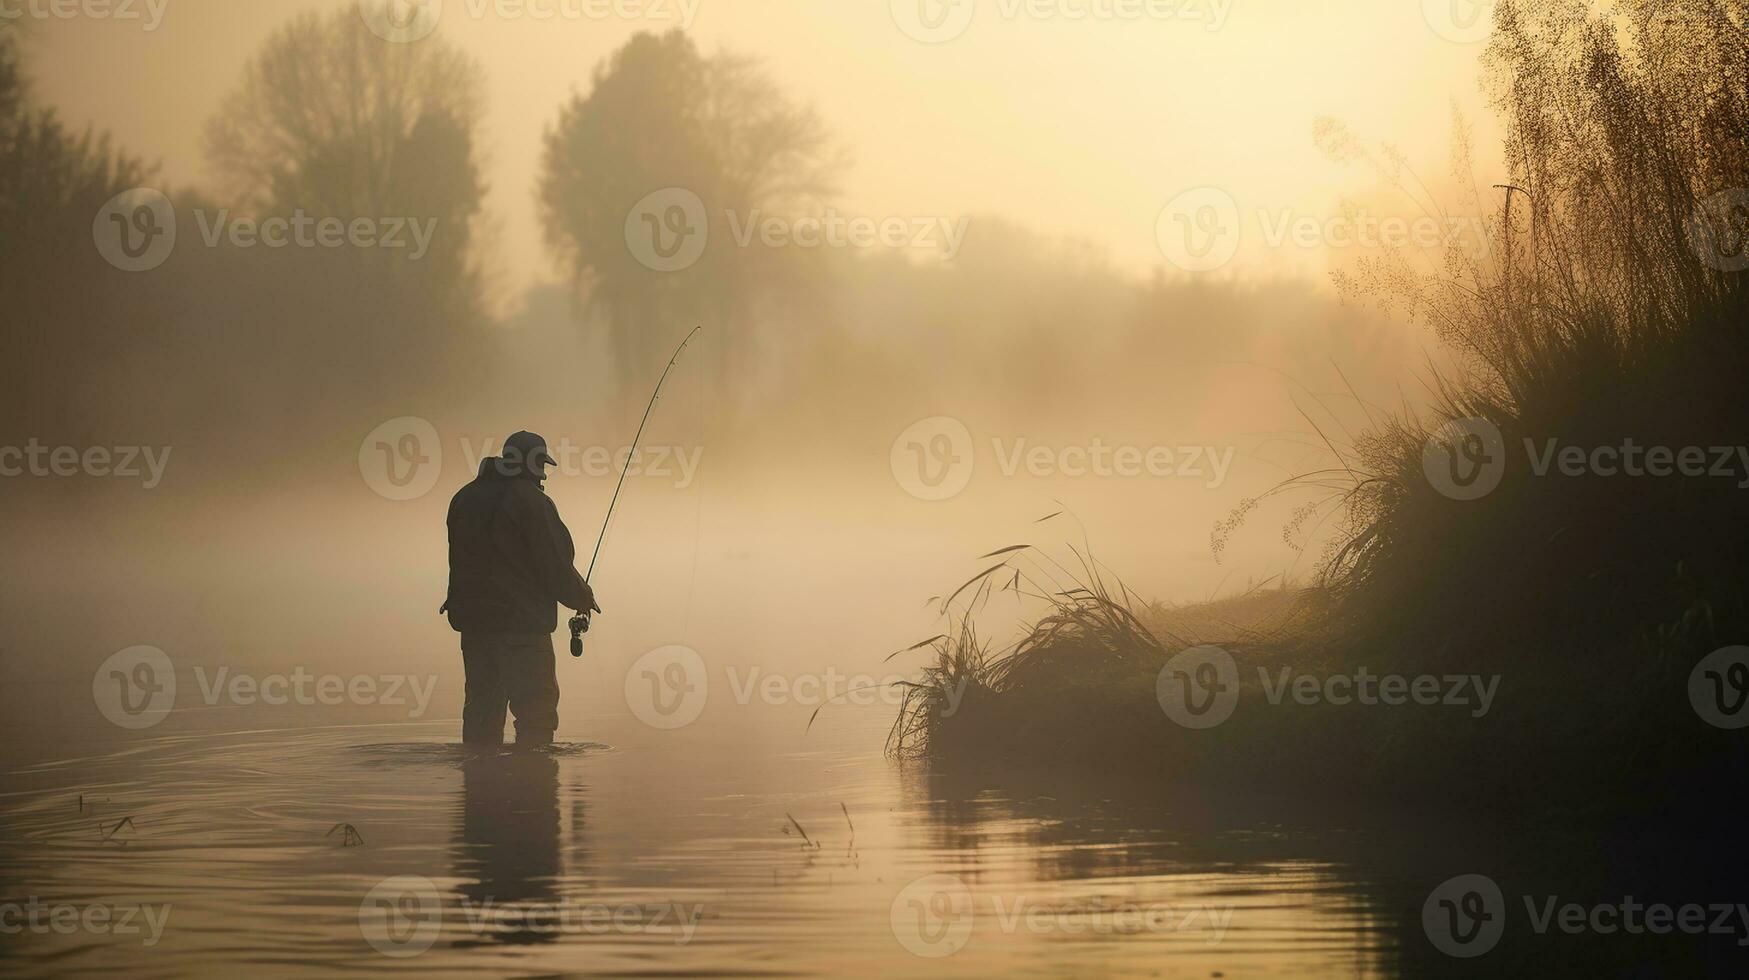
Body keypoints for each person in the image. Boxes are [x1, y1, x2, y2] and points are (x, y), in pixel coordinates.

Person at [442, 430, 599, 747]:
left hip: (473, 624)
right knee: (535, 710)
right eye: (541, 463)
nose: (543, 473)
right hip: (521, 626)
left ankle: (478, 783)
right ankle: (534, 784)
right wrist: (582, 597)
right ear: (532, 463)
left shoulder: (464, 497)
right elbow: (554, 562)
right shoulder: (531, 502)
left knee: (481, 712)